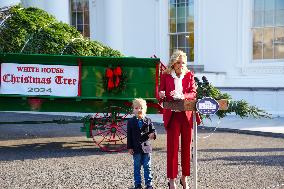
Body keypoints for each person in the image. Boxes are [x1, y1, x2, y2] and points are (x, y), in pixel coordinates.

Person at [159, 50, 200, 189]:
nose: (181, 65)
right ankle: (171, 180)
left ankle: (184, 178)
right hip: (172, 115)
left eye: (183, 63)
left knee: (187, 148)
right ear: (173, 63)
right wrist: (162, 94)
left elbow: (193, 93)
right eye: (178, 62)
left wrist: (183, 95)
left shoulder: (189, 75)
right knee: (172, 149)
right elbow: (160, 94)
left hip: (186, 116)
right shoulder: (165, 76)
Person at [127, 98, 157, 189]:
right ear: (133, 109)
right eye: (136, 108)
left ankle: (149, 184)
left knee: (147, 166)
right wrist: (130, 147)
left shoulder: (148, 120)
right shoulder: (130, 121)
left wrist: (153, 134)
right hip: (136, 148)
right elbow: (129, 136)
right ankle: (138, 184)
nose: (139, 110)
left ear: (144, 109)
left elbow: (153, 130)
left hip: (146, 148)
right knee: (137, 167)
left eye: (141, 108)